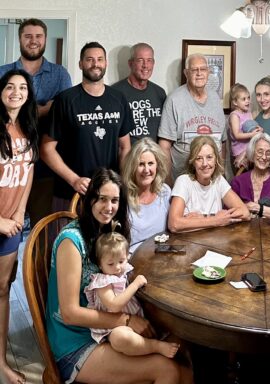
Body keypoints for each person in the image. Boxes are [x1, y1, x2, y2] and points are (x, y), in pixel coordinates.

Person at [45, 168, 192, 384]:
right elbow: (70, 313)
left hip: (104, 329)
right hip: (76, 342)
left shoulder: (106, 233)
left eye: (114, 200)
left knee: (183, 350)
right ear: (90, 199)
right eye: (102, 199)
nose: (109, 207)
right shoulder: (71, 241)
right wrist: (126, 320)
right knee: (167, 370)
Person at [41, 41, 132, 209]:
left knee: (107, 237)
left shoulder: (118, 99)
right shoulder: (66, 100)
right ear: (81, 64)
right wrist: (74, 179)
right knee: (70, 236)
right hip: (70, 194)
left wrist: (123, 181)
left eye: (100, 59)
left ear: (106, 63)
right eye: (89, 59)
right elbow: (47, 149)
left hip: (109, 195)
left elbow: (124, 147)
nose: (95, 64)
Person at [0, 18, 72, 227]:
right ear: (20, 39)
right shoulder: (3, 72)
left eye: (38, 36)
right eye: (28, 36)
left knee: (41, 229)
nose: (33, 41)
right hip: (7, 170)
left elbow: (63, 117)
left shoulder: (60, 74)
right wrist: (42, 109)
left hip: (45, 166)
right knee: (7, 227)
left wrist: (20, 109)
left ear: (45, 39)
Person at [84, 226, 179, 358]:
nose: (117, 267)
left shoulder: (125, 270)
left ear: (127, 257)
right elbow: (114, 305)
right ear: (100, 264)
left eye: (121, 261)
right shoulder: (102, 282)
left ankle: (149, 342)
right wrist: (135, 284)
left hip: (137, 318)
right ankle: (154, 346)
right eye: (110, 264)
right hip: (113, 326)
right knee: (120, 338)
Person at [0, 69, 38, 384]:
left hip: (11, 228)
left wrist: (19, 213)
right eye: (10, 86)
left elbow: (28, 173)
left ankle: (0, 362)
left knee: (2, 291)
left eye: (23, 87)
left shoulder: (26, 128)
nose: (16, 92)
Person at [158, 53, 226, 182]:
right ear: (186, 73)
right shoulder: (174, 100)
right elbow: (164, 145)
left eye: (203, 69)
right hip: (183, 180)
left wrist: (221, 174)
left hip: (212, 181)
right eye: (194, 70)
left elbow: (222, 141)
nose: (199, 73)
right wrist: (168, 182)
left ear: (208, 72)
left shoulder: (215, 99)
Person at [168, 135, 250, 233]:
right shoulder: (183, 181)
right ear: (193, 162)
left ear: (216, 160)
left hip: (214, 242)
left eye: (209, 157)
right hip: (190, 244)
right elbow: (174, 224)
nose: (205, 164)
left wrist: (201, 219)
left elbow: (245, 212)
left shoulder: (218, 180)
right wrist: (216, 220)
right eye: (199, 158)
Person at [122, 137, 171, 253]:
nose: (146, 170)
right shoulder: (123, 196)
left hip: (161, 255)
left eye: (150, 163)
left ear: (157, 166)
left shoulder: (165, 192)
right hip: (131, 258)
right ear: (132, 167)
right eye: (141, 164)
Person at [112, 43, 167, 143]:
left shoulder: (159, 93)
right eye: (140, 60)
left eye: (149, 60)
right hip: (129, 155)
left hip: (154, 156)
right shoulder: (115, 93)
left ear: (153, 63)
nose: (145, 65)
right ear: (130, 63)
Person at [231, 133, 270, 221]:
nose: (264, 157)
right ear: (252, 152)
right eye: (260, 152)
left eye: (268, 153)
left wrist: (257, 208)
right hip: (244, 233)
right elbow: (229, 213)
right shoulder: (238, 181)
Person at [228, 83, 262, 170]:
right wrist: (252, 134)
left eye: (248, 98)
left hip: (250, 150)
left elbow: (253, 127)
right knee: (243, 176)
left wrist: (259, 129)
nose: (247, 101)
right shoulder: (235, 115)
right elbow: (237, 135)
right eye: (243, 99)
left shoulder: (249, 113)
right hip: (239, 152)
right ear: (235, 102)